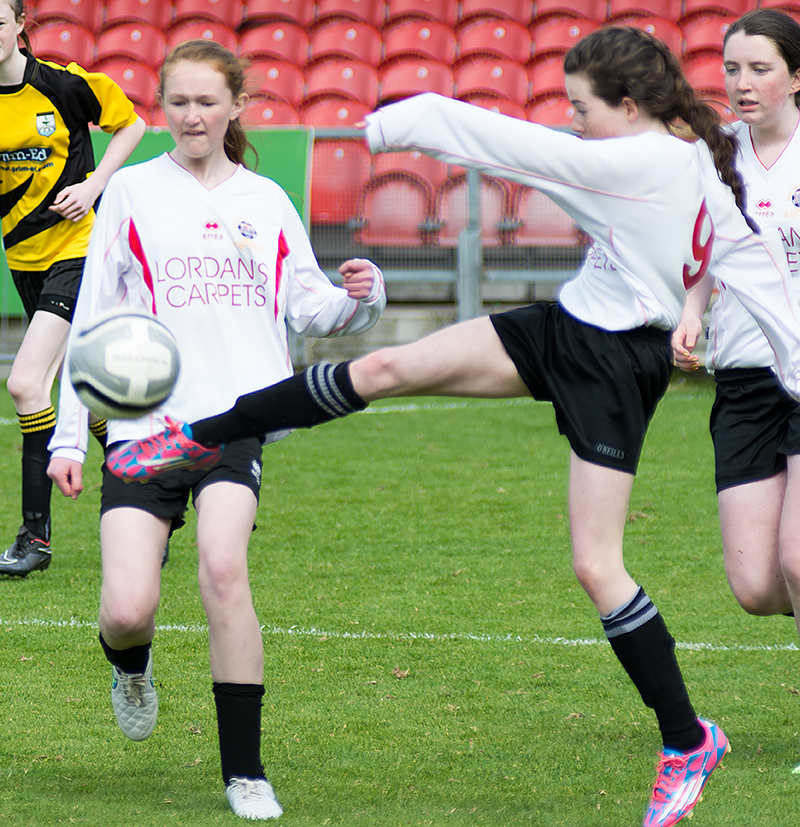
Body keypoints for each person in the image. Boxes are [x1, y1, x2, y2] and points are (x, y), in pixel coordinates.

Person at [105, 26, 800, 827]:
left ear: (631, 106)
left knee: (596, 563)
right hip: (567, 325)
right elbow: (759, 271)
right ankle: (196, 433)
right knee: (385, 369)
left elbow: (506, 145)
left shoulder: (638, 161)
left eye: (582, 106)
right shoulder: (683, 159)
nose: (573, 119)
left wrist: (391, 125)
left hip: (617, 367)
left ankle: (687, 740)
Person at [47, 40, 386, 820]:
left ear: (236, 106)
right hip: (142, 428)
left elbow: (309, 306)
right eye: (179, 102)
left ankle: (245, 771)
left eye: (208, 101)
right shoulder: (130, 192)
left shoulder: (265, 200)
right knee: (127, 609)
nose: (193, 115)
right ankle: (130, 668)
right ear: (163, 107)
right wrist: (70, 437)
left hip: (237, 420)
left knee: (222, 568)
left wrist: (361, 297)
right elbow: (92, 322)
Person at [672, 8, 800, 774]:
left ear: (796, 76)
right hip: (747, 378)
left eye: (758, 68)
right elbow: (707, 252)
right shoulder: (715, 156)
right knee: (757, 583)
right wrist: (691, 314)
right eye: (732, 68)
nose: (741, 83)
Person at [0, 0, 146, 576]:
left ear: (18, 27)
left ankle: (34, 538)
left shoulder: (61, 85)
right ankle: (150, 498)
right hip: (24, 259)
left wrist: (94, 185)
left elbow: (131, 123)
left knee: (25, 382)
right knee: (82, 397)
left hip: (80, 252)